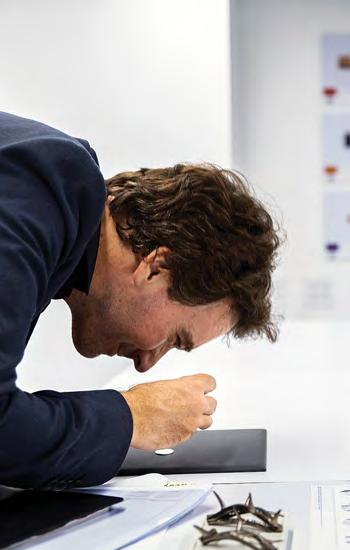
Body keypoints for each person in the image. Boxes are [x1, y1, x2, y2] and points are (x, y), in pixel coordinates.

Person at [0, 112, 281, 489]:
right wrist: (130, 417)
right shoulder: (41, 188)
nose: (146, 363)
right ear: (155, 268)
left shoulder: (52, 197)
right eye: (174, 339)